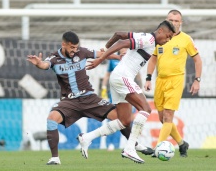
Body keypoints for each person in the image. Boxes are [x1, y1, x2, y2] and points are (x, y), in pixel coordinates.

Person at [27, 31, 152, 165]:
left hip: (89, 98)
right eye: (71, 48)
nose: (74, 50)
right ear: (63, 44)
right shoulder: (54, 58)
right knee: (51, 119)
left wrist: (117, 57)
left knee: (121, 117)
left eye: (76, 47)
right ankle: (55, 158)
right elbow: (45, 65)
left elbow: (101, 54)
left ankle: (135, 144)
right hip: (69, 101)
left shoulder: (82, 52)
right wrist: (38, 63)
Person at [77, 20, 176, 164]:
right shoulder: (148, 39)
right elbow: (121, 43)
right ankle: (130, 148)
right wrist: (101, 58)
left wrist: (105, 47)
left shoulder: (145, 38)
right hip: (123, 76)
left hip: (118, 77)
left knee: (124, 121)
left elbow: (118, 35)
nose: (167, 40)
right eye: (168, 36)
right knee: (146, 109)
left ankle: (87, 138)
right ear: (160, 31)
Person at [144, 10, 202, 157]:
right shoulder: (161, 38)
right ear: (166, 20)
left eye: (177, 21)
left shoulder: (186, 39)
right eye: (171, 20)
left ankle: (158, 148)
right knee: (163, 118)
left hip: (176, 80)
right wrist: (148, 78)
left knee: (168, 116)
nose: (174, 23)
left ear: (180, 23)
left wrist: (197, 80)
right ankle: (182, 144)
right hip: (160, 81)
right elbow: (153, 58)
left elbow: (197, 60)